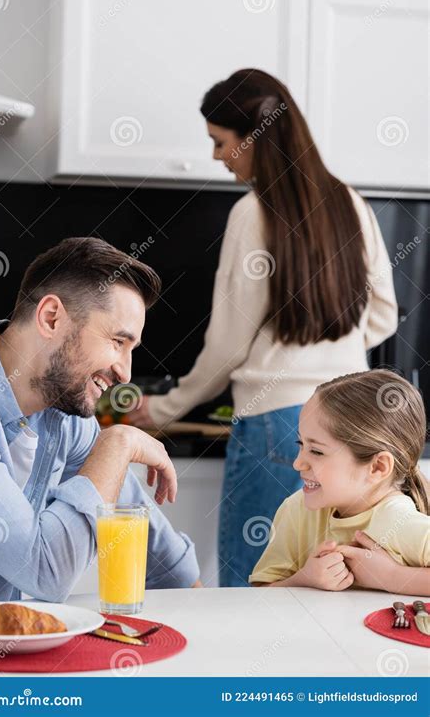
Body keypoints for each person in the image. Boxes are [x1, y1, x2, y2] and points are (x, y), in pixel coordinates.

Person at [130, 68, 398, 587]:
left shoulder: (252, 213)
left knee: (251, 589)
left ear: (252, 138)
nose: (215, 156)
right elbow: (384, 313)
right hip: (351, 428)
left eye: (219, 142)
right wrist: (325, 354)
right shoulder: (353, 204)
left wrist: (161, 408)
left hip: (281, 428)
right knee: (332, 587)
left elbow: (228, 345)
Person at [0, 237, 200, 603]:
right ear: (51, 317)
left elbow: (156, 550)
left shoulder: (61, 411)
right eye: (118, 342)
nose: (126, 372)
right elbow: (44, 571)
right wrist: (118, 443)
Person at [249, 370, 429, 590]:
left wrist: (392, 576)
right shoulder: (296, 512)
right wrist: (302, 580)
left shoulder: (399, 522)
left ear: (377, 467)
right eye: (301, 445)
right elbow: (260, 595)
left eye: (316, 451)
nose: (297, 463)